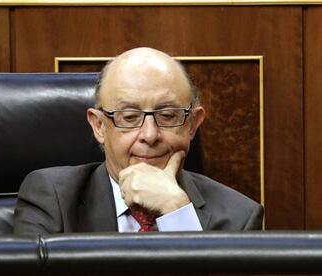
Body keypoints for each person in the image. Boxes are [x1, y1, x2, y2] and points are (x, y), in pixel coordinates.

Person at [14, 47, 263, 234]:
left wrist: (177, 213)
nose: (149, 135)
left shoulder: (239, 218)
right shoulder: (53, 199)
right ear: (99, 126)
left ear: (192, 124)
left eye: (167, 116)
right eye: (130, 117)